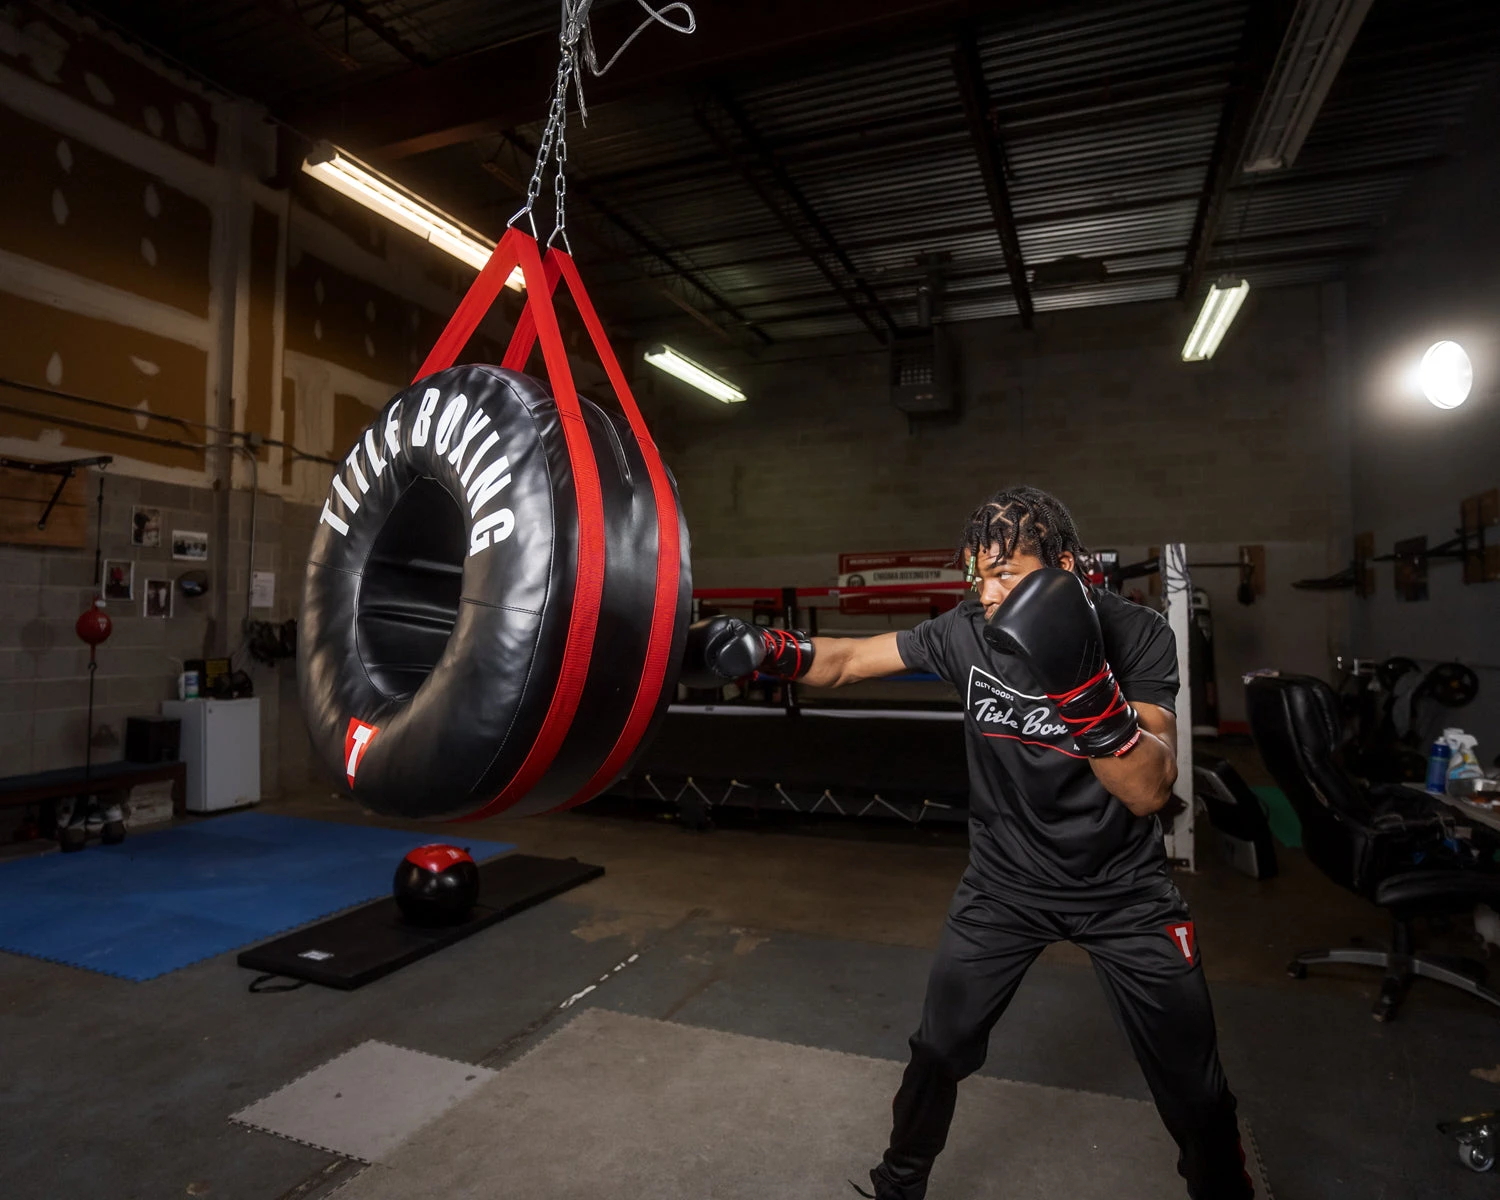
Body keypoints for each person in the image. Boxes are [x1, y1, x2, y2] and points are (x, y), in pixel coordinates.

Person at [680, 485, 1252, 1200]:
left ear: (1066, 566)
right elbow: (849, 663)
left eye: (1008, 573)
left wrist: (1075, 678)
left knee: (1193, 1087)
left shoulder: (1135, 633)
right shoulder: (964, 631)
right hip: (1004, 886)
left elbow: (1145, 788)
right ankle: (898, 1186)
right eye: (979, 574)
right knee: (939, 1050)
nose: (988, 593)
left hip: (1124, 893)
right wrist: (770, 650)